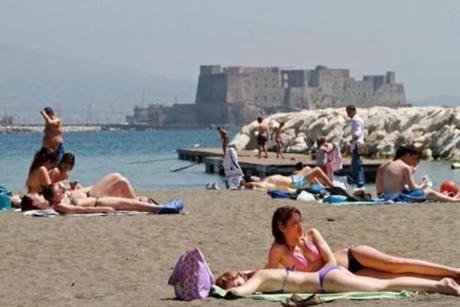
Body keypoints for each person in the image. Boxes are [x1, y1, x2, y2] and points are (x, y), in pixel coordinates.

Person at [266, 206, 460, 280]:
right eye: (294, 224)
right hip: (348, 275)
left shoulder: (311, 234)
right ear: (282, 227)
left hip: (352, 256)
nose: (300, 226)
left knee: (397, 264)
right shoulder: (278, 250)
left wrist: (307, 273)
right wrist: (247, 275)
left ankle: (455, 271)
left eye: (301, 221)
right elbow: (269, 274)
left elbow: (331, 259)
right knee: (396, 278)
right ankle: (451, 281)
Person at [380, 145, 460, 202]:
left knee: (426, 191)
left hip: (387, 196)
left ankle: (445, 197)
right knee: (429, 192)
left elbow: (398, 184)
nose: (415, 162)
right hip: (398, 197)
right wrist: (424, 184)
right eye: (414, 158)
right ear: (407, 155)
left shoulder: (391, 164)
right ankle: (455, 200)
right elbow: (413, 188)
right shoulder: (405, 167)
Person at [41, 183, 183, 215]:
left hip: (99, 200)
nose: (61, 190)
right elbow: (80, 210)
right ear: (54, 197)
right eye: (58, 190)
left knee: (131, 203)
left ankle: (160, 208)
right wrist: (104, 209)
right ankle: (160, 208)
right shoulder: (60, 206)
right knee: (128, 203)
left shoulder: (62, 200)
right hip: (99, 203)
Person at [244, 166, 335, 192]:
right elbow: (253, 185)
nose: (255, 176)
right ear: (253, 180)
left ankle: (320, 186)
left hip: (294, 179)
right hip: (296, 183)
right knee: (317, 170)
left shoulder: (265, 179)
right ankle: (331, 186)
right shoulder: (264, 183)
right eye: (253, 177)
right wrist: (245, 184)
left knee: (307, 168)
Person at [346, 105, 365, 189]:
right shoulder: (360, 119)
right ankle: (361, 184)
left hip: (357, 145)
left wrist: (350, 141)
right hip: (360, 144)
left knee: (356, 166)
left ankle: (360, 184)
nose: (347, 114)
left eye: (348, 112)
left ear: (353, 111)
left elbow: (357, 134)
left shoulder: (355, 120)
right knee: (358, 165)